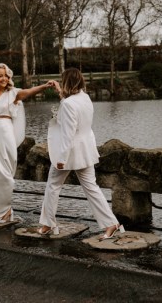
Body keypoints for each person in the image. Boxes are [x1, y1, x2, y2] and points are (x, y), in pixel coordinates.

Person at [38, 68, 124, 239]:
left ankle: (48, 224)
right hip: (86, 150)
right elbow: (71, 103)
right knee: (92, 188)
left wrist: (61, 158)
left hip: (70, 152)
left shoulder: (68, 104)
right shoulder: (85, 98)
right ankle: (111, 224)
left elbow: (68, 133)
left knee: (53, 186)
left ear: (67, 83)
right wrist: (58, 91)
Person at [0, 63, 53, 224]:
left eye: (6, 76)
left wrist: (44, 86)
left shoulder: (13, 94)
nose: (3, 78)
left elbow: (29, 92)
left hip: (5, 136)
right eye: (0, 76)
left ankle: (6, 210)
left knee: (4, 175)